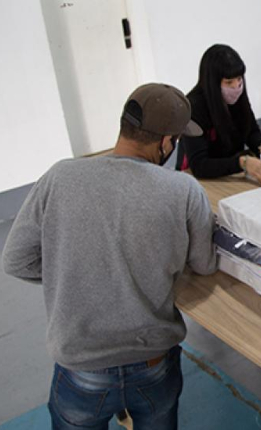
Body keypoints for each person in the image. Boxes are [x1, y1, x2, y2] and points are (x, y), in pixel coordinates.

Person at [2, 83, 217, 430]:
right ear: (166, 142)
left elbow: (15, 260)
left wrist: (74, 268)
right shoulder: (184, 190)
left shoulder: (60, 176)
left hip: (80, 367)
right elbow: (204, 265)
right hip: (153, 363)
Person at [177, 44, 261, 182]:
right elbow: (199, 165)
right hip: (198, 179)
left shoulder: (237, 98)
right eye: (229, 82)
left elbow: (251, 131)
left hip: (230, 173)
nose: (236, 87)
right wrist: (241, 163)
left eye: (239, 79)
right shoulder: (193, 108)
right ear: (213, 83)